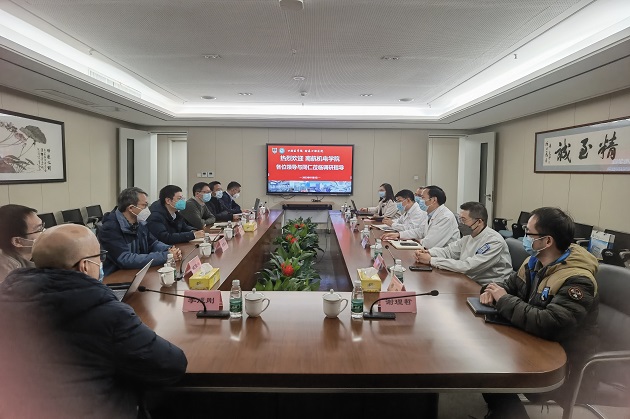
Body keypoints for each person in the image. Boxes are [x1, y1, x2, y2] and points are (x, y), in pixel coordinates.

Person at [0, 224, 188, 418]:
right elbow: (171, 365)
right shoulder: (106, 314)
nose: (101, 263)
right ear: (85, 266)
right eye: (100, 257)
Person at [479, 207, 599, 418]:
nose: (525, 238)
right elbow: (507, 286)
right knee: (482, 357)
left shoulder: (578, 280)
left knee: (490, 370)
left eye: (529, 233)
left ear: (547, 241)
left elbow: (551, 323)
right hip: (531, 342)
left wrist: (503, 299)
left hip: (564, 361)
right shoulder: (533, 262)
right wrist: (490, 290)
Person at [415, 201, 512, 285]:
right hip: (469, 279)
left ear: (479, 222)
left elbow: (468, 267)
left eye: (463, 220)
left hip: (489, 287)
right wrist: (429, 253)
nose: (460, 223)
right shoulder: (469, 235)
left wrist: (431, 260)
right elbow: (449, 251)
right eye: (460, 219)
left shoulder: (494, 241)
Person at [99, 187, 181, 276]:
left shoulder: (139, 223)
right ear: (131, 208)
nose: (147, 209)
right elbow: (125, 259)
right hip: (116, 277)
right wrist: (165, 256)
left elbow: (153, 243)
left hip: (137, 272)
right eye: (144, 205)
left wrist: (169, 249)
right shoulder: (110, 228)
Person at [381, 185, 459, 248]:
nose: (419, 200)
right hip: (429, 252)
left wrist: (417, 239)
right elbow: (420, 231)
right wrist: (399, 235)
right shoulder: (429, 214)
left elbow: (429, 244)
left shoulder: (445, 217)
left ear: (433, 200)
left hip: (442, 258)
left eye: (422, 197)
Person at [0, 204, 43, 282]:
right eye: (39, 229)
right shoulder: (10, 278)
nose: (44, 232)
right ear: (17, 241)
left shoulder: (40, 255)